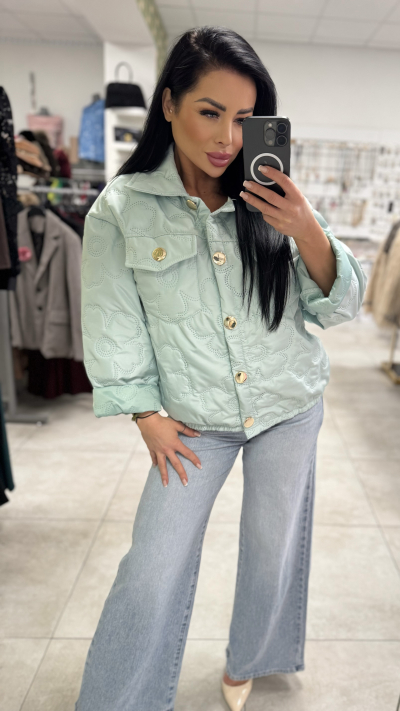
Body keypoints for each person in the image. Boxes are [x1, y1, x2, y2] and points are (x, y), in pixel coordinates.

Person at [75, 26, 367, 711]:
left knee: (272, 546)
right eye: (211, 112)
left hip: (287, 405)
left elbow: (338, 305)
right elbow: (114, 320)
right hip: (191, 421)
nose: (228, 138)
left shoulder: (271, 194)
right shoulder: (119, 210)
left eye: (244, 118)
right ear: (169, 104)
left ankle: (252, 658)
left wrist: (306, 228)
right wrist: (144, 413)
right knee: (150, 568)